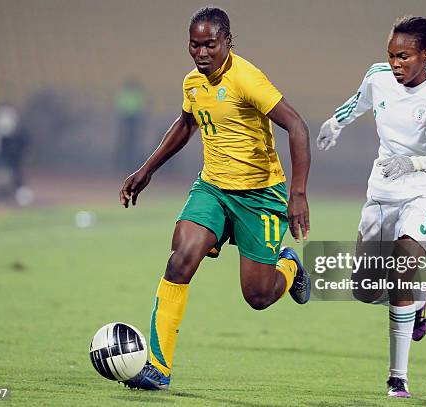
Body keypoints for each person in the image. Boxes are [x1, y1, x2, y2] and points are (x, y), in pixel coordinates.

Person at [119, 6, 311, 390]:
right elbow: (187, 123)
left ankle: (289, 268)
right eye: (195, 45)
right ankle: (158, 368)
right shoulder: (193, 82)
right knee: (180, 260)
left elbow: (297, 125)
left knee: (258, 296)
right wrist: (147, 169)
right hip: (213, 188)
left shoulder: (247, 79)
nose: (202, 53)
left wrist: (298, 193)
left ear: (227, 42)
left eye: (210, 45)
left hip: (259, 195)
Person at [317, 16, 426, 398]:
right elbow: (360, 101)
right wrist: (335, 123)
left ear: (425, 54)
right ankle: (421, 297)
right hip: (383, 191)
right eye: (391, 55)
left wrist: (418, 163)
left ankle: (397, 379)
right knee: (366, 290)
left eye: (403, 56)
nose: (395, 63)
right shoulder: (378, 76)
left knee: (402, 265)